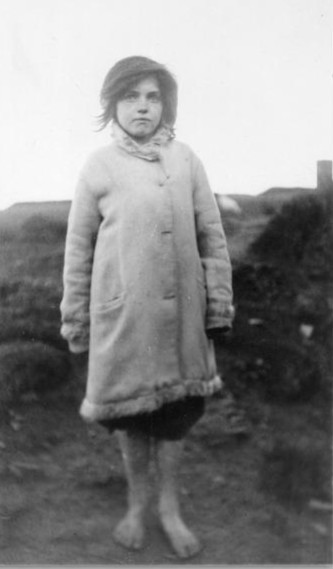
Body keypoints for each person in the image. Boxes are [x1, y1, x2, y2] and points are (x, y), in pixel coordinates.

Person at [60, 55, 234, 559]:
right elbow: (78, 250)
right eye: (131, 96)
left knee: (176, 416)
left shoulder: (187, 161)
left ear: (166, 105)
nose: (143, 107)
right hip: (126, 321)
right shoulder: (99, 166)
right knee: (133, 419)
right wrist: (76, 320)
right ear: (112, 103)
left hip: (182, 321)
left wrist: (218, 304)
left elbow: (213, 238)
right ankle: (137, 506)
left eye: (153, 97)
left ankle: (169, 509)